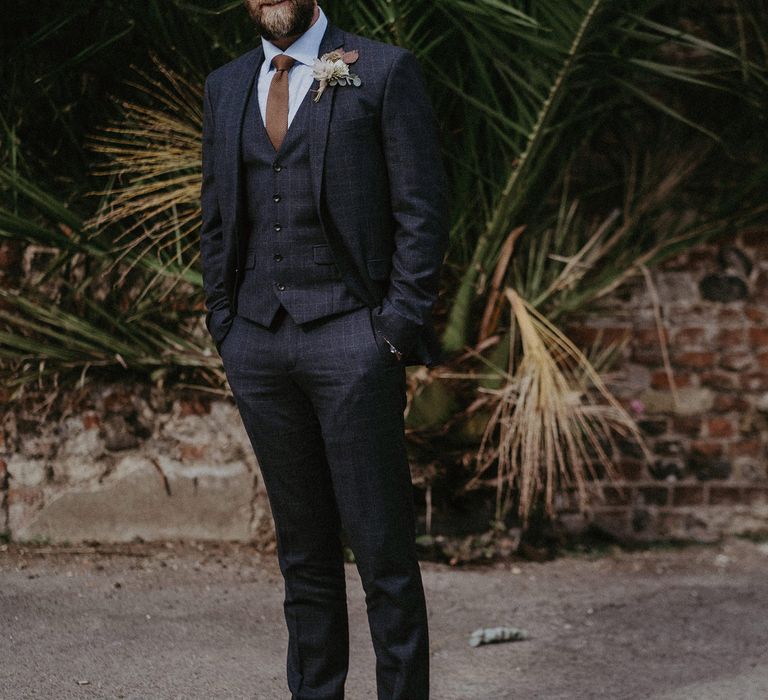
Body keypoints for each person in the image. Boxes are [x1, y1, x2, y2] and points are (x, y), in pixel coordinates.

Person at [199, 1, 448, 697]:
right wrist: (227, 324)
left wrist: (392, 329)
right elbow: (215, 214)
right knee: (303, 556)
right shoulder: (224, 86)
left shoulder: (384, 71)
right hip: (258, 341)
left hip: (353, 337)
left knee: (383, 554)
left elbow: (421, 211)